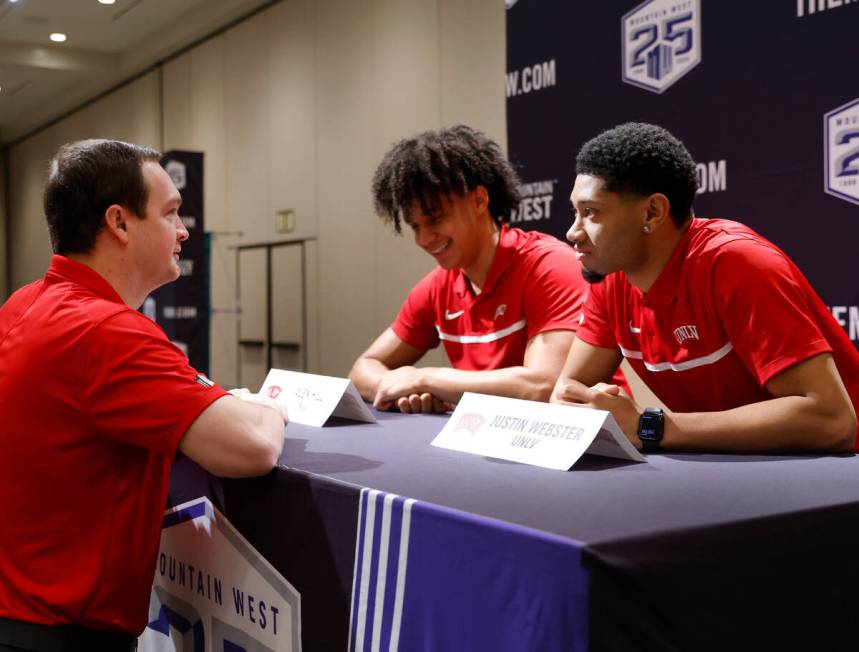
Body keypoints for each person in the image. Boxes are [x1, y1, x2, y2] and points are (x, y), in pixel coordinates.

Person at [0, 140, 288, 651]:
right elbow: (251, 447)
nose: (183, 232)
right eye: (172, 213)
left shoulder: (24, 304)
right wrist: (269, 408)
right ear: (120, 222)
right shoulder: (107, 331)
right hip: (58, 635)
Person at [553, 122, 859, 453]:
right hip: (746, 473)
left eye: (591, 213)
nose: (573, 231)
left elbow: (831, 420)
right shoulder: (611, 276)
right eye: (576, 212)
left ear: (653, 212)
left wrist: (649, 426)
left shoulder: (737, 263)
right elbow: (567, 392)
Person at [349, 124, 593, 414]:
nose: (424, 239)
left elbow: (542, 387)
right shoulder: (436, 287)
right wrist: (404, 390)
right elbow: (363, 369)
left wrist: (425, 378)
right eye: (415, 227)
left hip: (590, 451)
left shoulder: (549, 266)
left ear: (479, 200)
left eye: (436, 219)